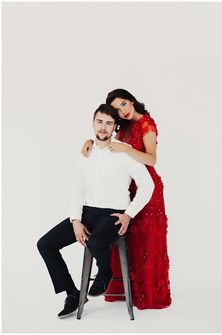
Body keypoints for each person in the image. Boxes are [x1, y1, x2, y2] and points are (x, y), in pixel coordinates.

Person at [37, 103, 154, 319]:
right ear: (93, 123)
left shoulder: (124, 153)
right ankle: (72, 294)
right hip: (87, 213)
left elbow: (148, 185)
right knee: (45, 244)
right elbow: (77, 189)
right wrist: (75, 220)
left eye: (109, 123)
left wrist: (129, 214)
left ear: (115, 127)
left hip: (114, 214)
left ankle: (105, 271)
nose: (103, 127)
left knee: (95, 243)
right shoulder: (85, 152)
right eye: (99, 122)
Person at [81, 89, 172, 309]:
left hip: (147, 190)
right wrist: (89, 141)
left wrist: (125, 149)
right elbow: (105, 137)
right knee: (123, 237)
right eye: (118, 108)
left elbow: (152, 160)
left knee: (145, 241)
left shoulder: (146, 124)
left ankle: (146, 294)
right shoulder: (123, 125)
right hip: (126, 188)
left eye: (124, 104)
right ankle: (120, 287)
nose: (123, 110)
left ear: (131, 100)